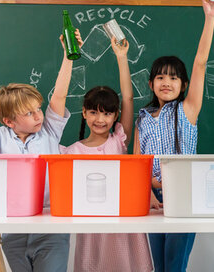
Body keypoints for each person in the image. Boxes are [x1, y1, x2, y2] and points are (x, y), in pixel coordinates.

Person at [0, 31, 82, 272]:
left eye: (38, 109)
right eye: (29, 113)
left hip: (51, 225)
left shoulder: (49, 130)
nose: (38, 115)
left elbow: (59, 94)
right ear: (9, 121)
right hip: (13, 228)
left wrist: (68, 56)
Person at [133, 0, 214, 272]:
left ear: (183, 85)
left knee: (174, 267)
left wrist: (210, 17)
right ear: (151, 83)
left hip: (184, 196)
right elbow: (138, 162)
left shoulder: (187, 110)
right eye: (160, 77)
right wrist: (146, 194)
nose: (166, 82)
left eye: (173, 77)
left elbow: (200, 63)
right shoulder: (143, 118)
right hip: (153, 198)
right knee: (159, 268)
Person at [62, 38, 153, 272]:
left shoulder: (119, 139)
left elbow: (128, 98)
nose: (99, 120)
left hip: (124, 221)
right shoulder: (73, 151)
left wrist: (122, 58)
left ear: (115, 116)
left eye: (106, 113)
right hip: (93, 227)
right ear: (83, 113)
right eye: (93, 112)